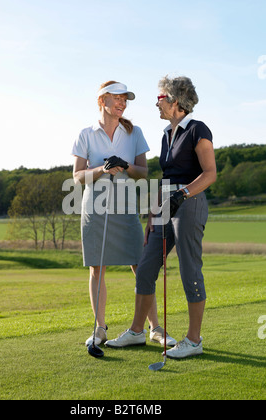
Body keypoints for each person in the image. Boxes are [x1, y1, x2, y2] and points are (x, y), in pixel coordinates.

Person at [105, 75, 217, 359]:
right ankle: (137, 331)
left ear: (175, 101)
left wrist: (184, 194)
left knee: (189, 269)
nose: (156, 104)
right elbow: (166, 178)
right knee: (145, 267)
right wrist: (154, 214)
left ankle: (193, 340)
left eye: (159, 98)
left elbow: (210, 173)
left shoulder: (197, 130)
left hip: (189, 204)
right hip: (165, 205)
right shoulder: (167, 134)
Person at [72, 81, 176, 347]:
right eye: (117, 98)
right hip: (94, 207)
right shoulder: (86, 133)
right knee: (97, 267)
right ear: (102, 99)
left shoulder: (134, 132)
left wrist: (125, 165)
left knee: (140, 266)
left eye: (125, 100)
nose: (122, 103)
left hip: (126, 206)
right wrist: (101, 170)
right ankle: (100, 328)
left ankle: (154, 328)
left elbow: (143, 172)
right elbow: (77, 177)